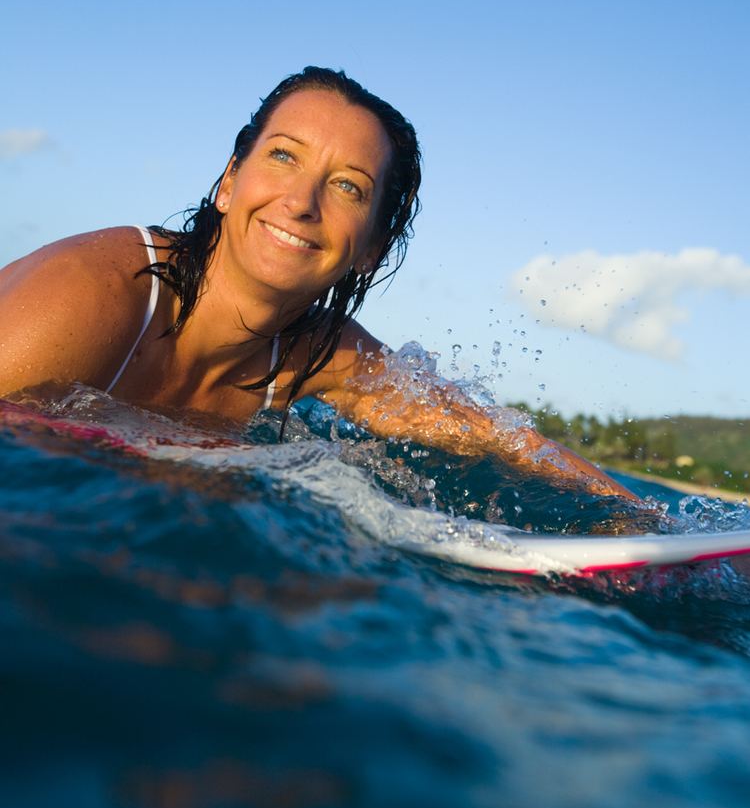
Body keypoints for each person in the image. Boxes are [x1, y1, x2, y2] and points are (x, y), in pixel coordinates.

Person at [0, 66, 641, 506]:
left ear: (371, 249)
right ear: (229, 182)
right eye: (283, 155)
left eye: (348, 187)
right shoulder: (92, 295)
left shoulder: (317, 356)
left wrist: (641, 522)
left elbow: (501, 440)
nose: (301, 201)